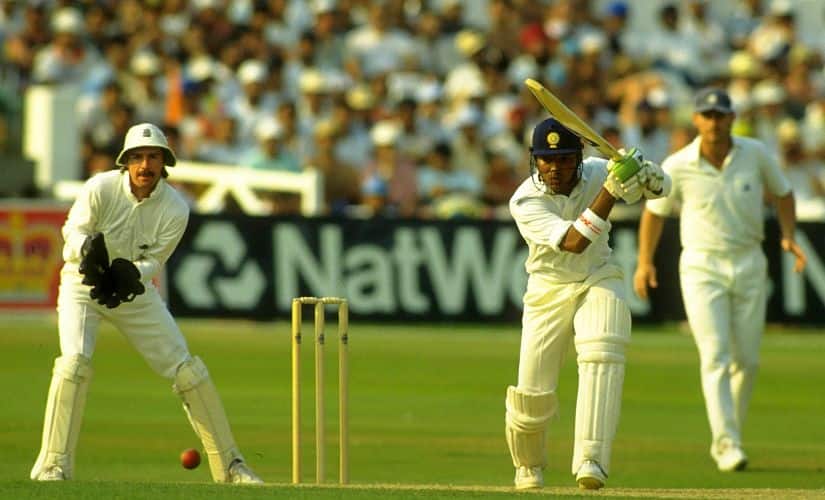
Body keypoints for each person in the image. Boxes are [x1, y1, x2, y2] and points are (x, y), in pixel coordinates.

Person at [30, 123, 263, 484]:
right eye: (137, 157)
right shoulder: (100, 187)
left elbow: (156, 260)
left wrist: (132, 274)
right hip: (82, 283)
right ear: (125, 162)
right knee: (74, 363)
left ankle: (231, 467)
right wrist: (87, 253)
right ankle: (53, 465)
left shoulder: (175, 208)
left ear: (164, 163)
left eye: (153, 157)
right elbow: (71, 233)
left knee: (187, 370)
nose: (145, 165)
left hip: (130, 292)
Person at [633, 88, 807, 473]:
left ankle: (729, 437)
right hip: (701, 265)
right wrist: (645, 263)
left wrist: (789, 235)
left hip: (749, 261)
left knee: (747, 361)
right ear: (696, 120)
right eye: (707, 115)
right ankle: (727, 443)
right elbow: (654, 213)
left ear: (731, 118)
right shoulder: (677, 164)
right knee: (715, 356)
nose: (713, 122)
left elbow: (784, 192)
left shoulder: (756, 153)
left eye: (720, 115)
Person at [506, 118, 669, 490]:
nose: (555, 168)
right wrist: (612, 189)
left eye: (564, 159)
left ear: (578, 158)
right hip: (548, 289)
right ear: (534, 160)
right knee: (532, 396)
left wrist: (646, 172)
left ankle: (592, 459)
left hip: (597, 274)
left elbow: (661, 192)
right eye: (547, 160)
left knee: (603, 348)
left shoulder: (598, 170)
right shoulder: (525, 199)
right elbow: (575, 241)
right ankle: (528, 466)